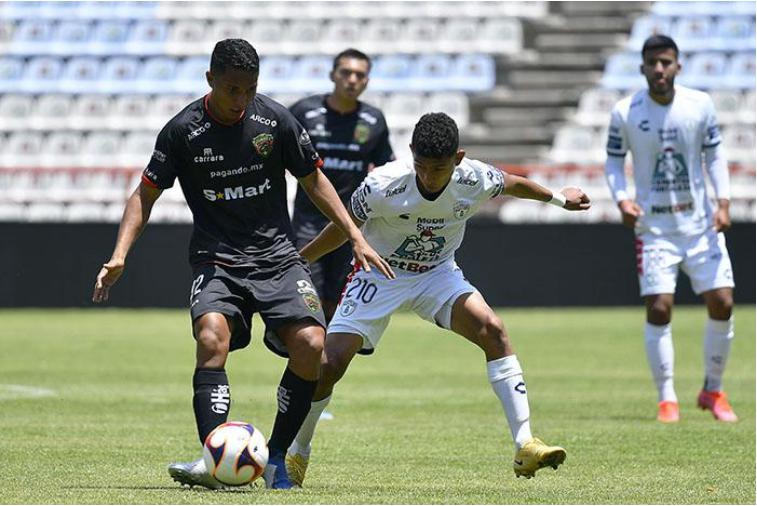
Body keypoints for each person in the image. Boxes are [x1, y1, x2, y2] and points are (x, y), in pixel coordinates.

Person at [91, 39, 393, 490]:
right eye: (232, 89)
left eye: (249, 89)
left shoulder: (274, 120)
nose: (241, 100)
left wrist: (354, 235)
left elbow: (313, 180)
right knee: (211, 338)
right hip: (217, 260)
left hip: (276, 257)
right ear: (210, 80)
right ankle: (214, 458)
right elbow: (145, 194)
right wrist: (119, 255)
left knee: (312, 344)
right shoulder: (183, 132)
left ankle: (275, 459)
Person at [284, 112, 592, 486]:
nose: (429, 177)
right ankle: (298, 452)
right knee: (330, 365)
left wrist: (560, 198)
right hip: (378, 273)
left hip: (437, 274)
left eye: (439, 168)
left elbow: (512, 184)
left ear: (458, 159)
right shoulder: (383, 184)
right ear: (410, 153)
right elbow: (344, 225)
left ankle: (525, 442)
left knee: (492, 329)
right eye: (422, 166)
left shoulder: (473, 177)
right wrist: (302, 260)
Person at [604, 35, 737, 424]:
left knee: (723, 302)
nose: (659, 69)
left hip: (699, 225)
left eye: (666, 62)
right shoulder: (625, 112)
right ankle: (667, 399)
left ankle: (712, 390)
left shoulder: (700, 105)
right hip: (655, 228)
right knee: (660, 308)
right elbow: (613, 162)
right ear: (642, 67)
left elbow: (714, 154)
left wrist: (724, 201)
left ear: (678, 66)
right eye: (652, 63)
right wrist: (622, 199)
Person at [290, 48, 394, 323]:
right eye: (346, 72)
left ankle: (325, 361)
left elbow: (385, 171)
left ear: (367, 82)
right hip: (308, 224)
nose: (352, 79)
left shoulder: (374, 120)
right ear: (332, 75)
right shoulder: (304, 112)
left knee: (337, 300)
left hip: (350, 226)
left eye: (359, 75)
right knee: (305, 294)